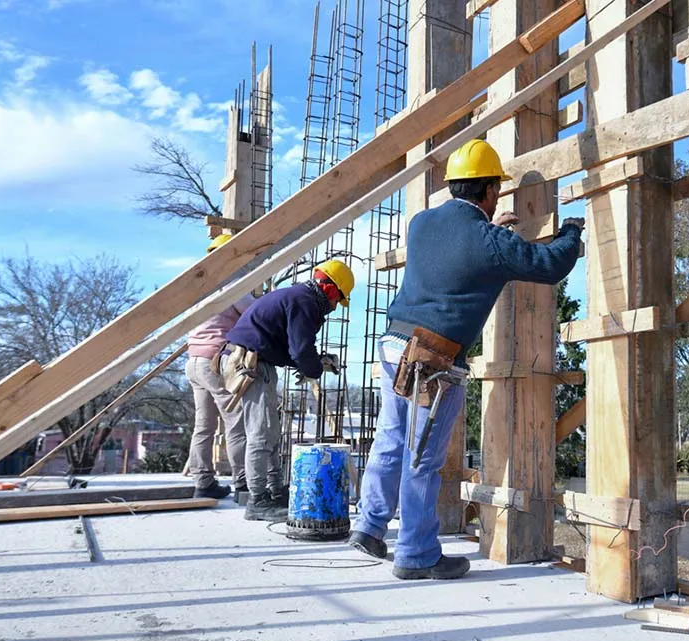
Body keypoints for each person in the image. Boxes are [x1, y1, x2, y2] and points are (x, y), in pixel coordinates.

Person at [349, 139, 583, 580]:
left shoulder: (422, 224)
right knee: (422, 457)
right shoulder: (488, 240)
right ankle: (416, 555)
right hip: (430, 362)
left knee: (392, 439)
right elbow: (548, 265)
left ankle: (369, 527)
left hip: (394, 345)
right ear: (491, 191)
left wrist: (497, 235)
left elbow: (460, 253)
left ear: (456, 185)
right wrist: (571, 230)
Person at [223, 259, 355, 522]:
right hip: (251, 364)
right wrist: (314, 367)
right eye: (337, 300)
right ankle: (257, 500)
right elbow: (301, 349)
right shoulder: (305, 303)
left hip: (256, 361)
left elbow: (292, 346)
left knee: (270, 430)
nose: (333, 308)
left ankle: (274, 492)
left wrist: (313, 362)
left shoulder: (296, 297)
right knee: (261, 434)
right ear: (330, 290)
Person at [184, 234, 254, 501]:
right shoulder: (231, 285)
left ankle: (203, 482)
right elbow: (253, 312)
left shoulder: (200, 286)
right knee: (236, 422)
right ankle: (243, 484)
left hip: (193, 361)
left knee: (203, 426)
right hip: (215, 361)